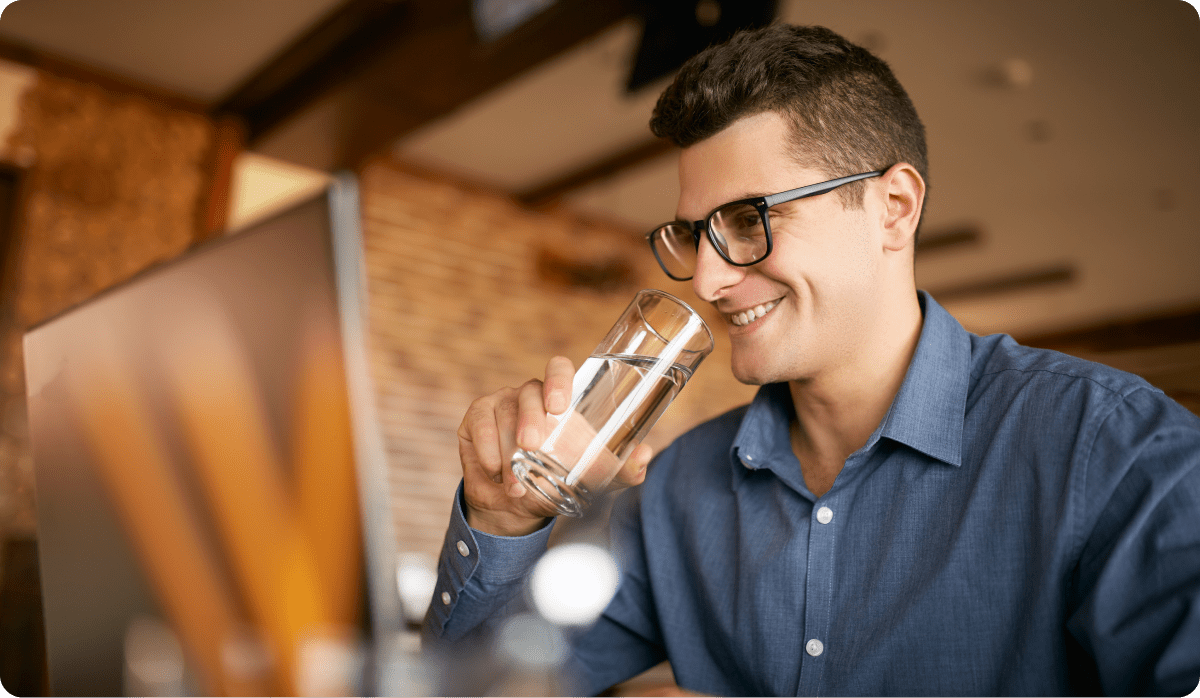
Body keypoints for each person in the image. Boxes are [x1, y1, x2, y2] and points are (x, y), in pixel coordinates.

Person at [422, 23, 1200, 696]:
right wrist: (501, 521)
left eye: (749, 218)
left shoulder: (1112, 449)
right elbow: (481, 689)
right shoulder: (678, 492)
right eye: (695, 233)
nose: (708, 279)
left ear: (893, 207)